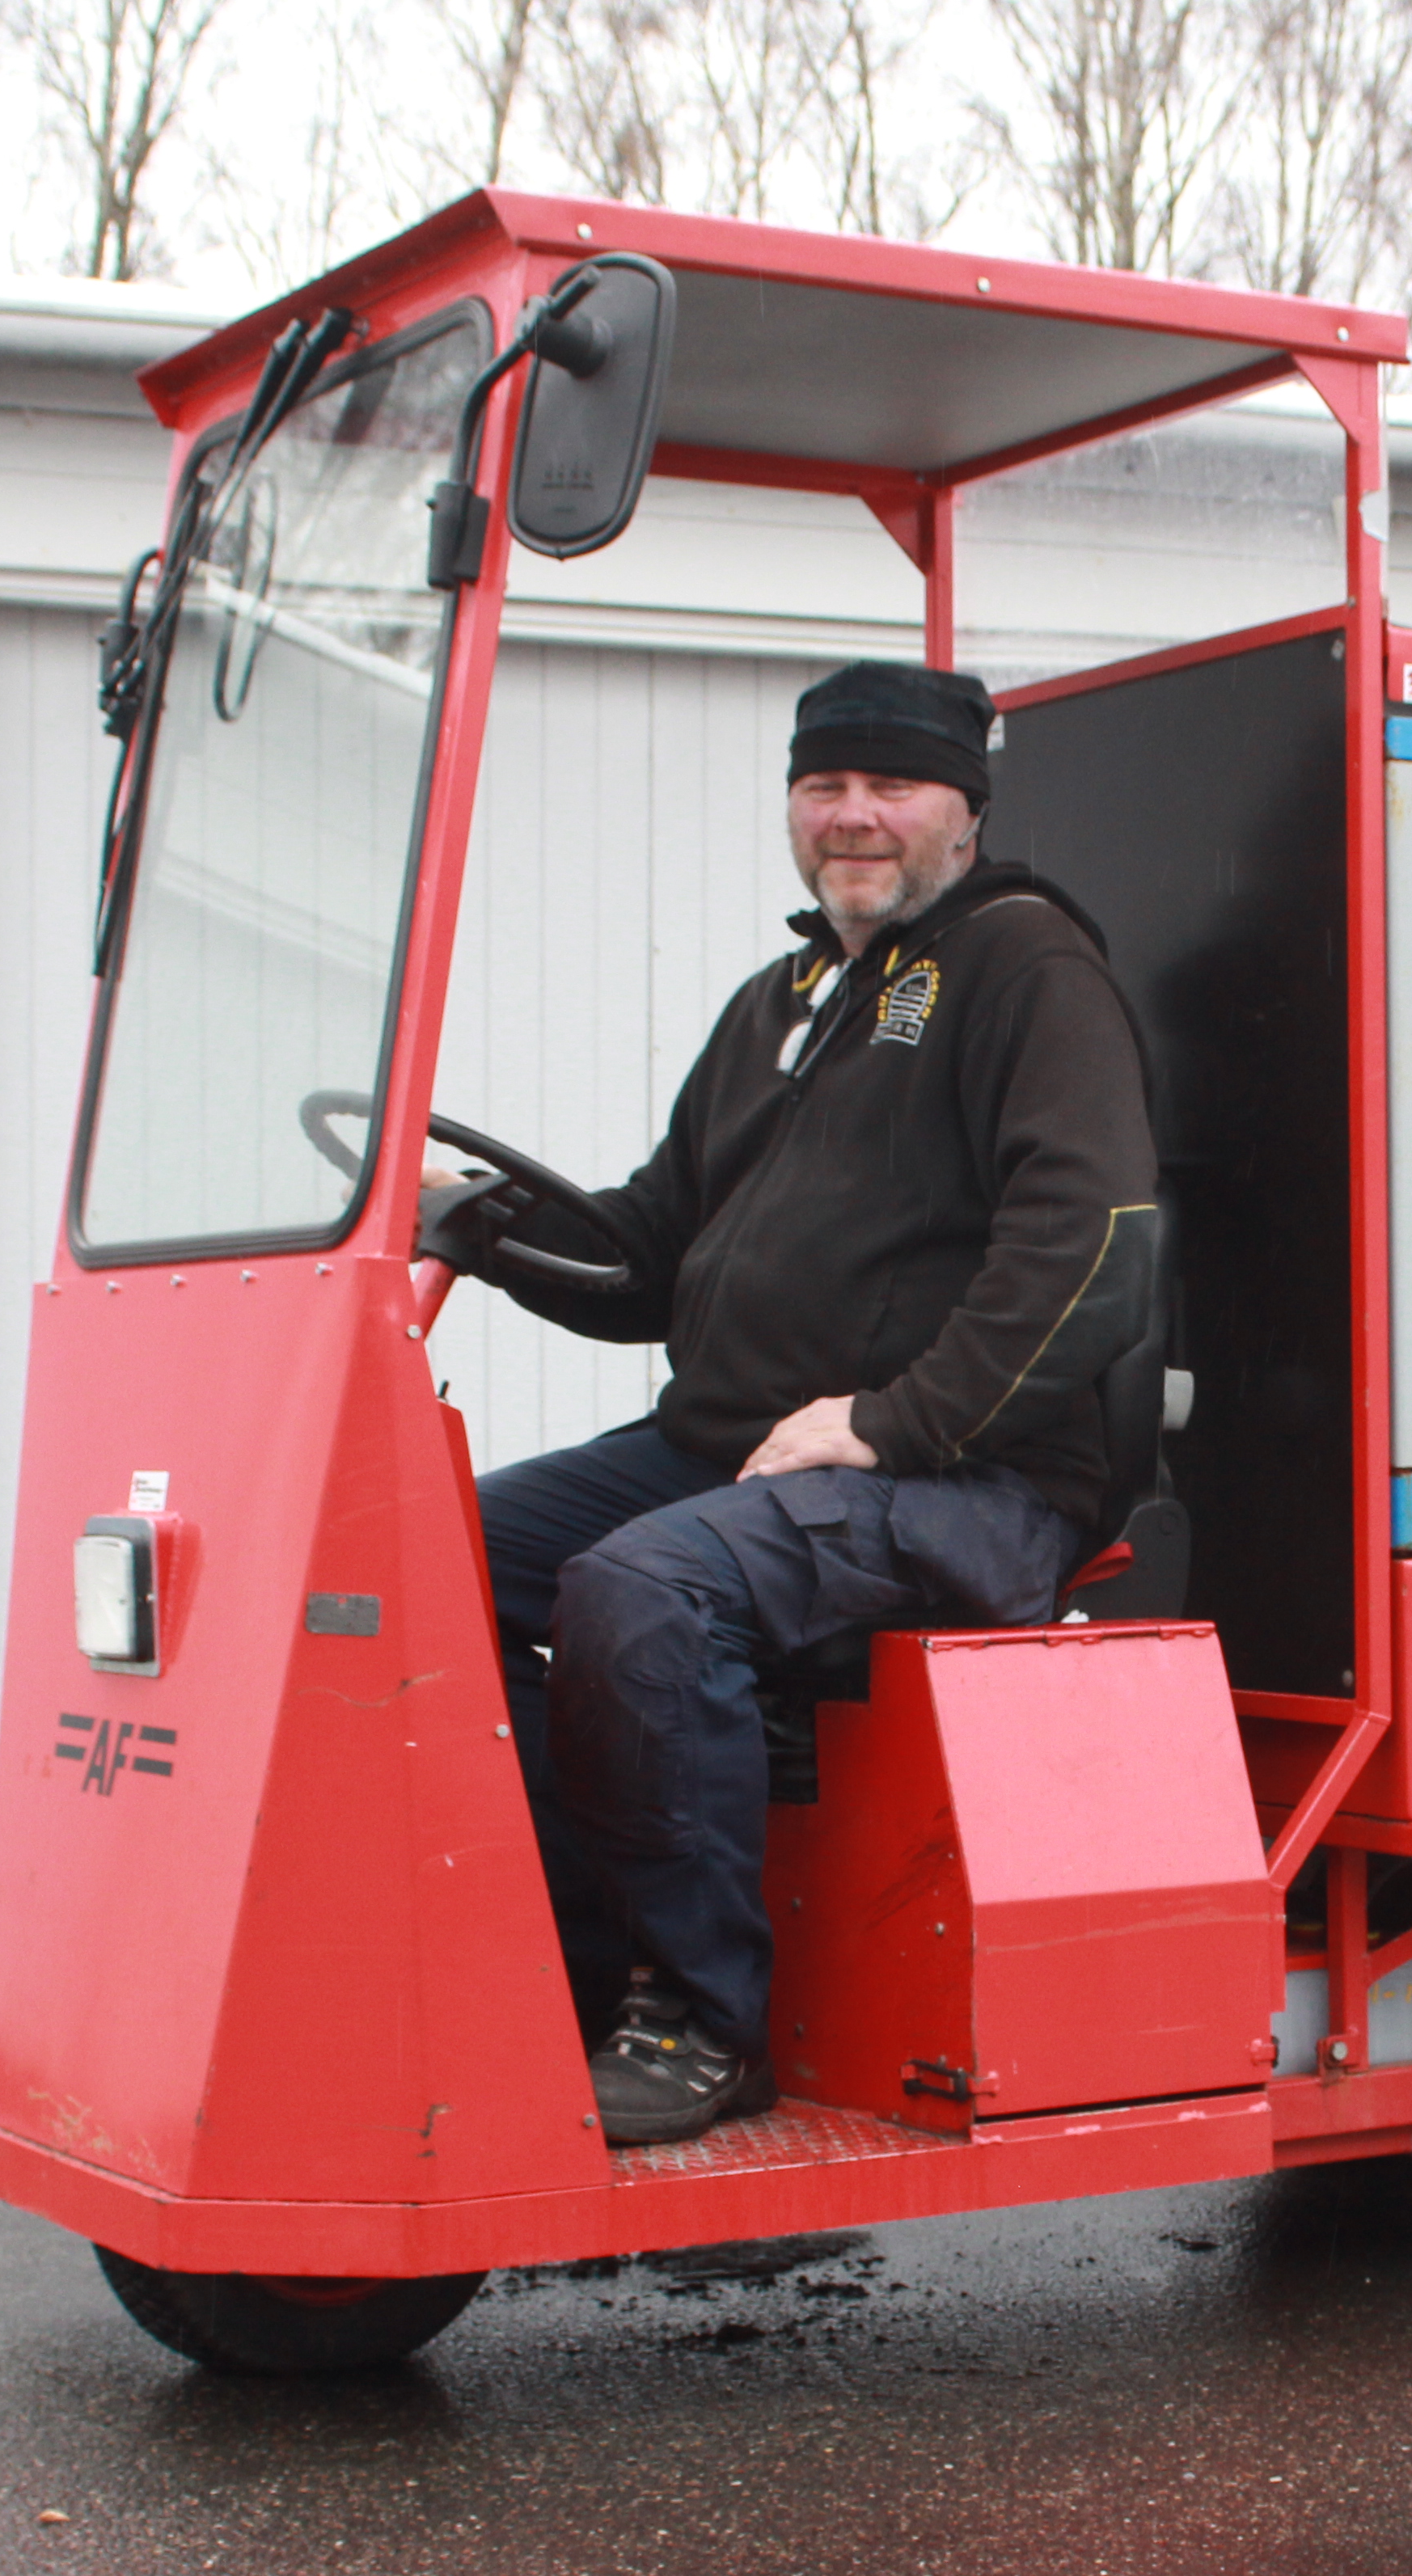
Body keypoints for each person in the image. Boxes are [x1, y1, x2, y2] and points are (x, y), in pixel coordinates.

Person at [420, 661, 1158, 2146]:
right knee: (430, 1566)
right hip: (738, 1446)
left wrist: (894, 1422)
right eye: (825, 786)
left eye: (891, 786)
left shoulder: (1023, 969)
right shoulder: (784, 1000)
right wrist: (475, 1229)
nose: (855, 817)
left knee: (642, 1589)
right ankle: (576, 1968)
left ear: (965, 807)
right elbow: (650, 1253)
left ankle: (702, 2023)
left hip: (977, 1479)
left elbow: (1094, 1247)